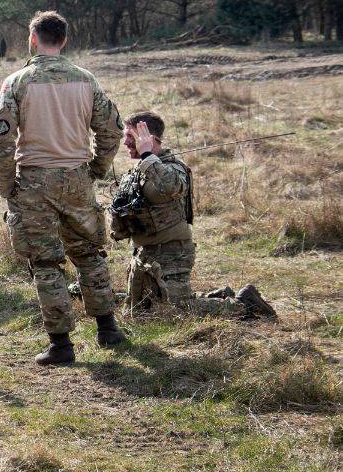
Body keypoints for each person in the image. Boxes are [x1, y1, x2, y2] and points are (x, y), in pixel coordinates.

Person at [0, 10, 126, 366]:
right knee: (89, 254)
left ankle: (61, 345)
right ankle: (108, 329)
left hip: (35, 181)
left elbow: (1, 140)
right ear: (63, 41)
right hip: (77, 177)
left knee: (46, 262)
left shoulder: (16, 82)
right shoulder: (86, 79)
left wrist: (7, 185)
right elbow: (112, 129)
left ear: (32, 39)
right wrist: (96, 168)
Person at [111, 111, 276, 321]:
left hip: (172, 253)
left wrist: (146, 156)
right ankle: (218, 297)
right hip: (144, 254)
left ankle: (243, 303)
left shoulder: (173, 168)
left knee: (177, 313)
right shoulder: (138, 172)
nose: (125, 142)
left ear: (149, 139)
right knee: (140, 313)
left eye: (131, 136)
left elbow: (171, 186)